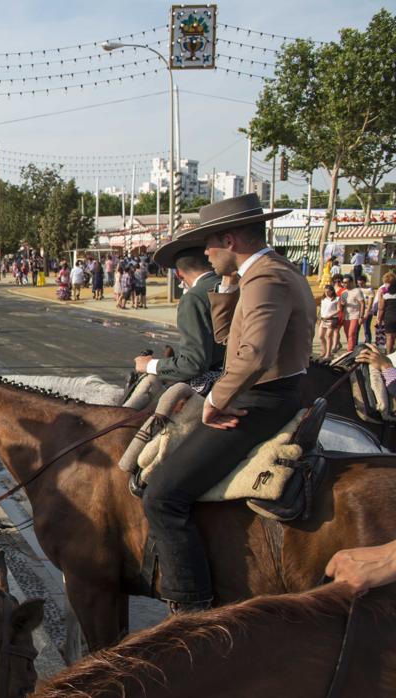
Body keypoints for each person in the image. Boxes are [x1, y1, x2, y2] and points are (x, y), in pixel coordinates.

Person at [142, 193, 314, 615]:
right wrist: (228, 283)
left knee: (162, 495)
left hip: (260, 398)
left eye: (209, 243)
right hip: (262, 391)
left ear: (231, 239)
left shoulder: (267, 278)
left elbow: (253, 355)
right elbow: (225, 338)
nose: (204, 252)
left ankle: (191, 607)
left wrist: (216, 400)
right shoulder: (256, 276)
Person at [138, 245, 225, 394]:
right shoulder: (231, 284)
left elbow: (193, 363)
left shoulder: (194, 297)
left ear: (179, 274)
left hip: (219, 385)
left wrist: (149, 365)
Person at [341, 276, 366, 352]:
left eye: (346, 282)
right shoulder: (343, 292)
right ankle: (353, 350)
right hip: (346, 316)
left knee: (352, 334)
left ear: (351, 282)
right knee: (347, 334)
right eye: (343, 282)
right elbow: (341, 306)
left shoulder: (357, 291)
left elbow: (362, 303)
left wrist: (361, 316)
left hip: (355, 315)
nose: (344, 284)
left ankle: (349, 351)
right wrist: (342, 304)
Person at [319, 286, 341, 358]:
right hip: (323, 318)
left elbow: (339, 309)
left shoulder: (337, 299)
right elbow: (321, 308)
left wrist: (331, 315)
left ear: (332, 291)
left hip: (332, 319)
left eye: (328, 291)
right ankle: (323, 350)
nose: (326, 293)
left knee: (328, 336)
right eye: (325, 291)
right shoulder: (323, 299)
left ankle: (328, 353)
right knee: (321, 336)